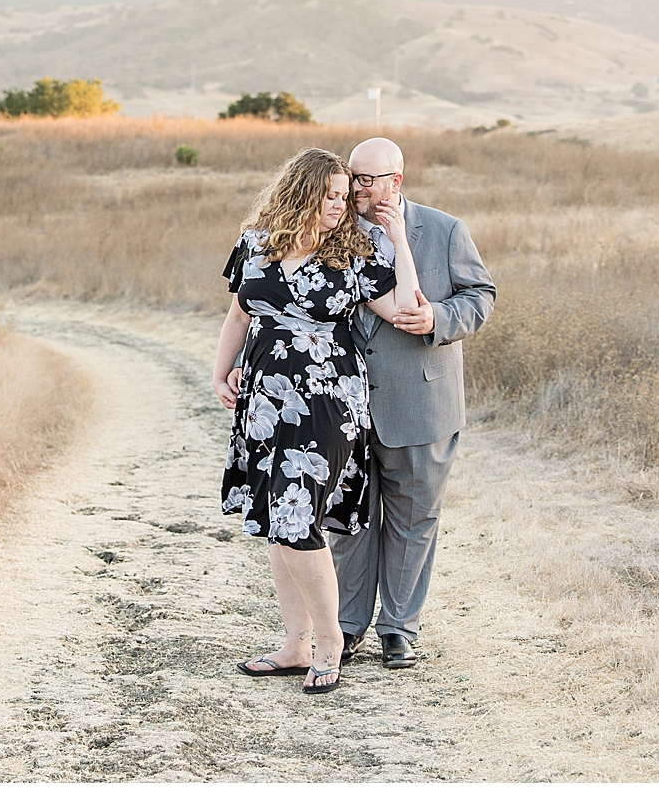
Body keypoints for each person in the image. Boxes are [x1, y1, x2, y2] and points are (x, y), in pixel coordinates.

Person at [212, 147, 420, 694]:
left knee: (298, 518)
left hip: (326, 401)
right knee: (275, 522)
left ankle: (330, 644)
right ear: (301, 192)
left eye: (344, 195)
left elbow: (406, 307)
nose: (341, 204)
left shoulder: (351, 252)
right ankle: (294, 644)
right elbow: (238, 312)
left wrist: (398, 240)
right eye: (330, 195)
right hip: (263, 398)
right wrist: (221, 371)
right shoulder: (255, 243)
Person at [330, 137, 495, 672]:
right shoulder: (332, 228)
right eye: (352, 176)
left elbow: (480, 297)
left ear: (395, 181)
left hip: (423, 401)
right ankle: (346, 627)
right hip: (344, 404)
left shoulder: (445, 230)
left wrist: (438, 322)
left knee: (413, 519)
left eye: (366, 179)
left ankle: (398, 629)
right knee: (349, 522)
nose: (355, 186)